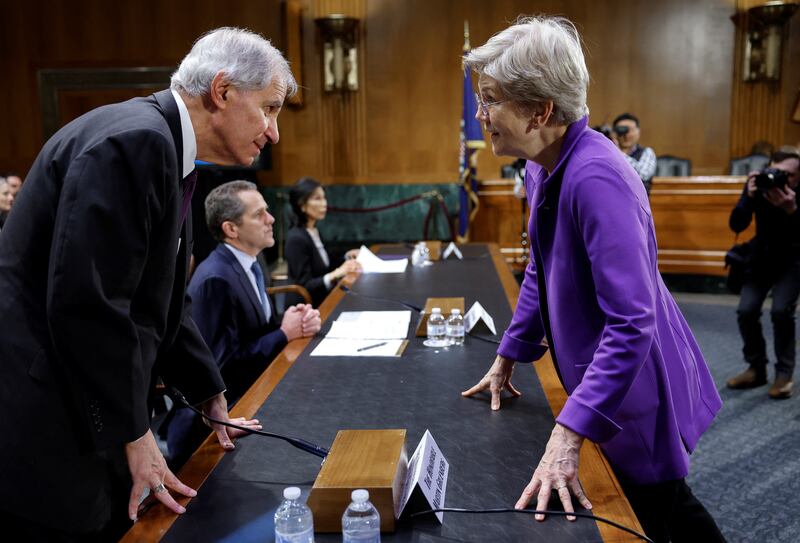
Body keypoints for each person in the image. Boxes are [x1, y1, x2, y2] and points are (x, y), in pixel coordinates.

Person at [0, 27, 296, 540]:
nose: (274, 132)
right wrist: (134, 432)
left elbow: (158, 297)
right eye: (269, 108)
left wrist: (208, 390)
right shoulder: (136, 142)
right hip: (45, 411)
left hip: (81, 396)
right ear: (222, 92)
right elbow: (87, 305)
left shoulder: (164, 144)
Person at [460, 16, 724, 543]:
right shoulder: (542, 162)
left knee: (654, 513)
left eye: (489, 100)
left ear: (540, 110)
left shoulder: (596, 177)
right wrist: (509, 351)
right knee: (661, 512)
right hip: (600, 374)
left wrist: (569, 429)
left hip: (635, 388)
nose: (479, 114)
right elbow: (542, 262)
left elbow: (632, 322)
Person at [166, 180, 321, 467]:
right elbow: (219, 371)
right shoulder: (216, 278)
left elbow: (256, 331)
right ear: (231, 229)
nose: (271, 218)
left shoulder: (251, 261)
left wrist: (292, 322)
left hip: (255, 390)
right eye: (259, 214)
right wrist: (284, 334)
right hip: (210, 429)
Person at [726, 146, 800, 399]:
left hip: (793, 259)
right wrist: (748, 196)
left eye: (789, 175)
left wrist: (792, 209)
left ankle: (784, 374)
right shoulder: (759, 185)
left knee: (781, 311)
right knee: (746, 311)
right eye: (777, 173)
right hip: (762, 257)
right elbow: (736, 224)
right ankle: (756, 369)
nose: (782, 180)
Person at [285, 177, 361, 307]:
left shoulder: (312, 230)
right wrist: (336, 274)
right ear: (302, 205)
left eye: (324, 198)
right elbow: (304, 286)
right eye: (317, 199)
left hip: (323, 298)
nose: (324, 203)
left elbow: (324, 264)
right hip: (306, 307)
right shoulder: (296, 238)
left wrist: (347, 256)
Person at [613, 112, 657, 193]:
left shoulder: (647, 152)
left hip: (637, 203)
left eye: (630, 130)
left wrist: (616, 152)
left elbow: (643, 175)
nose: (626, 134)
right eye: (622, 130)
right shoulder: (607, 153)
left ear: (638, 132)